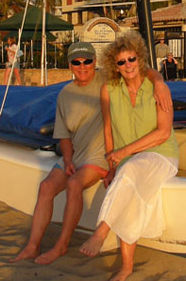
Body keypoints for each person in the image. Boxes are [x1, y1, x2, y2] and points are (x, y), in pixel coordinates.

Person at [10, 40, 172, 266]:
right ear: (70, 65)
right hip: (77, 155)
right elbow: (64, 136)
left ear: (95, 62)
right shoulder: (65, 95)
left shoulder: (108, 79)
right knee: (46, 187)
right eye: (76, 62)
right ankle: (32, 246)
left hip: (100, 157)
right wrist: (66, 160)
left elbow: (139, 68)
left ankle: (61, 245)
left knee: (74, 184)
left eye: (87, 61)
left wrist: (160, 82)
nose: (82, 66)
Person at [80, 31, 179, 281]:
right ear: (115, 66)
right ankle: (127, 265)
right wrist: (113, 165)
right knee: (130, 189)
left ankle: (102, 231)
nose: (128, 66)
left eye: (132, 59)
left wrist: (123, 154)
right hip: (128, 163)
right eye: (122, 62)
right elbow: (108, 128)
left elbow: (163, 133)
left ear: (140, 58)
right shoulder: (109, 89)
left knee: (132, 170)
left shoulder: (156, 88)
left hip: (161, 155)